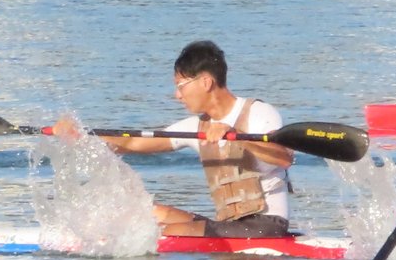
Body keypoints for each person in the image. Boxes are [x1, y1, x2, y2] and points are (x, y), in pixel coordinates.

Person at [72, 40, 295, 238]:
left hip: (266, 226)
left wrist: (236, 135)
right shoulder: (195, 127)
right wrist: (82, 135)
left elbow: (283, 158)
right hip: (228, 226)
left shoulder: (259, 113)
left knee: (159, 232)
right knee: (150, 211)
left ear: (206, 82)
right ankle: (92, 236)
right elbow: (132, 143)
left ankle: (115, 243)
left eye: (181, 85)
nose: (177, 95)